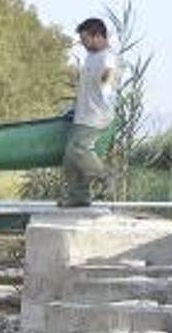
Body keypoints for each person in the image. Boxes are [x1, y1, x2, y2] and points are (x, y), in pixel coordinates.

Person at [61, 18, 119, 207]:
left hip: (97, 114)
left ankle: (105, 175)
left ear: (97, 36)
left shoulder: (107, 56)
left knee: (79, 149)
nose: (83, 43)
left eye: (85, 39)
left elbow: (108, 74)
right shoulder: (90, 56)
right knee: (70, 158)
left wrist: (106, 83)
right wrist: (73, 108)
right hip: (83, 114)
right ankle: (79, 197)